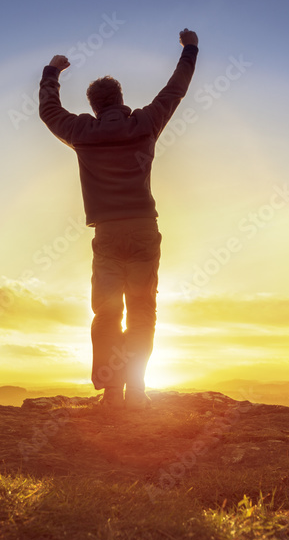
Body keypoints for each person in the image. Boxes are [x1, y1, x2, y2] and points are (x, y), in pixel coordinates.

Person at [39, 28, 199, 410]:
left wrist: (52, 71)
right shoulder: (144, 124)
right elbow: (175, 90)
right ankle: (137, 391)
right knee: (143, 309)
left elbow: (48, 112)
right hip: (144, 229)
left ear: (94, 106)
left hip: (108, 235)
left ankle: (112, 393)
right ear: (121, 100)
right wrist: (190, 48)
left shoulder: (82, 131)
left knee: (108, 311)